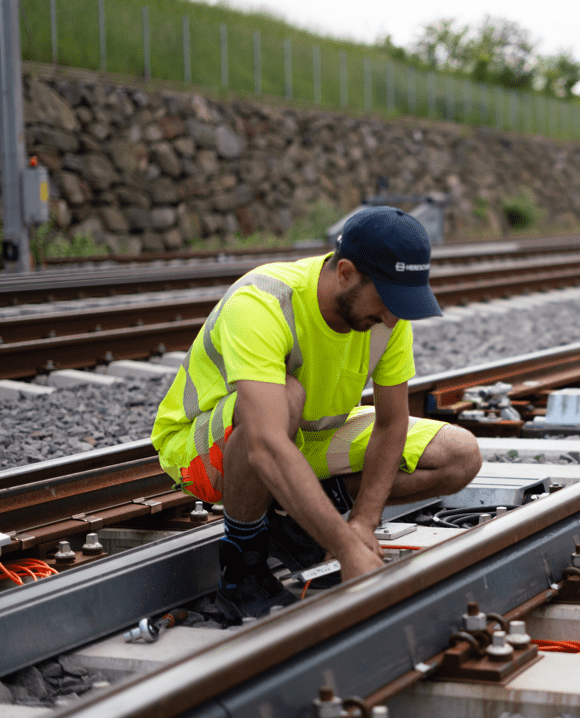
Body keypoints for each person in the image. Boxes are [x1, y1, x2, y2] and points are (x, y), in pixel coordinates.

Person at [151, 207, 481, 620]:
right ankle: (242, 571)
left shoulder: (387, 320)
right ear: (345, 273)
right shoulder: (263, 302)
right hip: (205, 451)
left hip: (303, 437)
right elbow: (267, 443)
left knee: (459, 453)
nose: (393, 317)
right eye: (387, 299)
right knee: (285, 398)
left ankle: (294, 519)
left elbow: (392, 422)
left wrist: (363, 521)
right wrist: (346, 549)